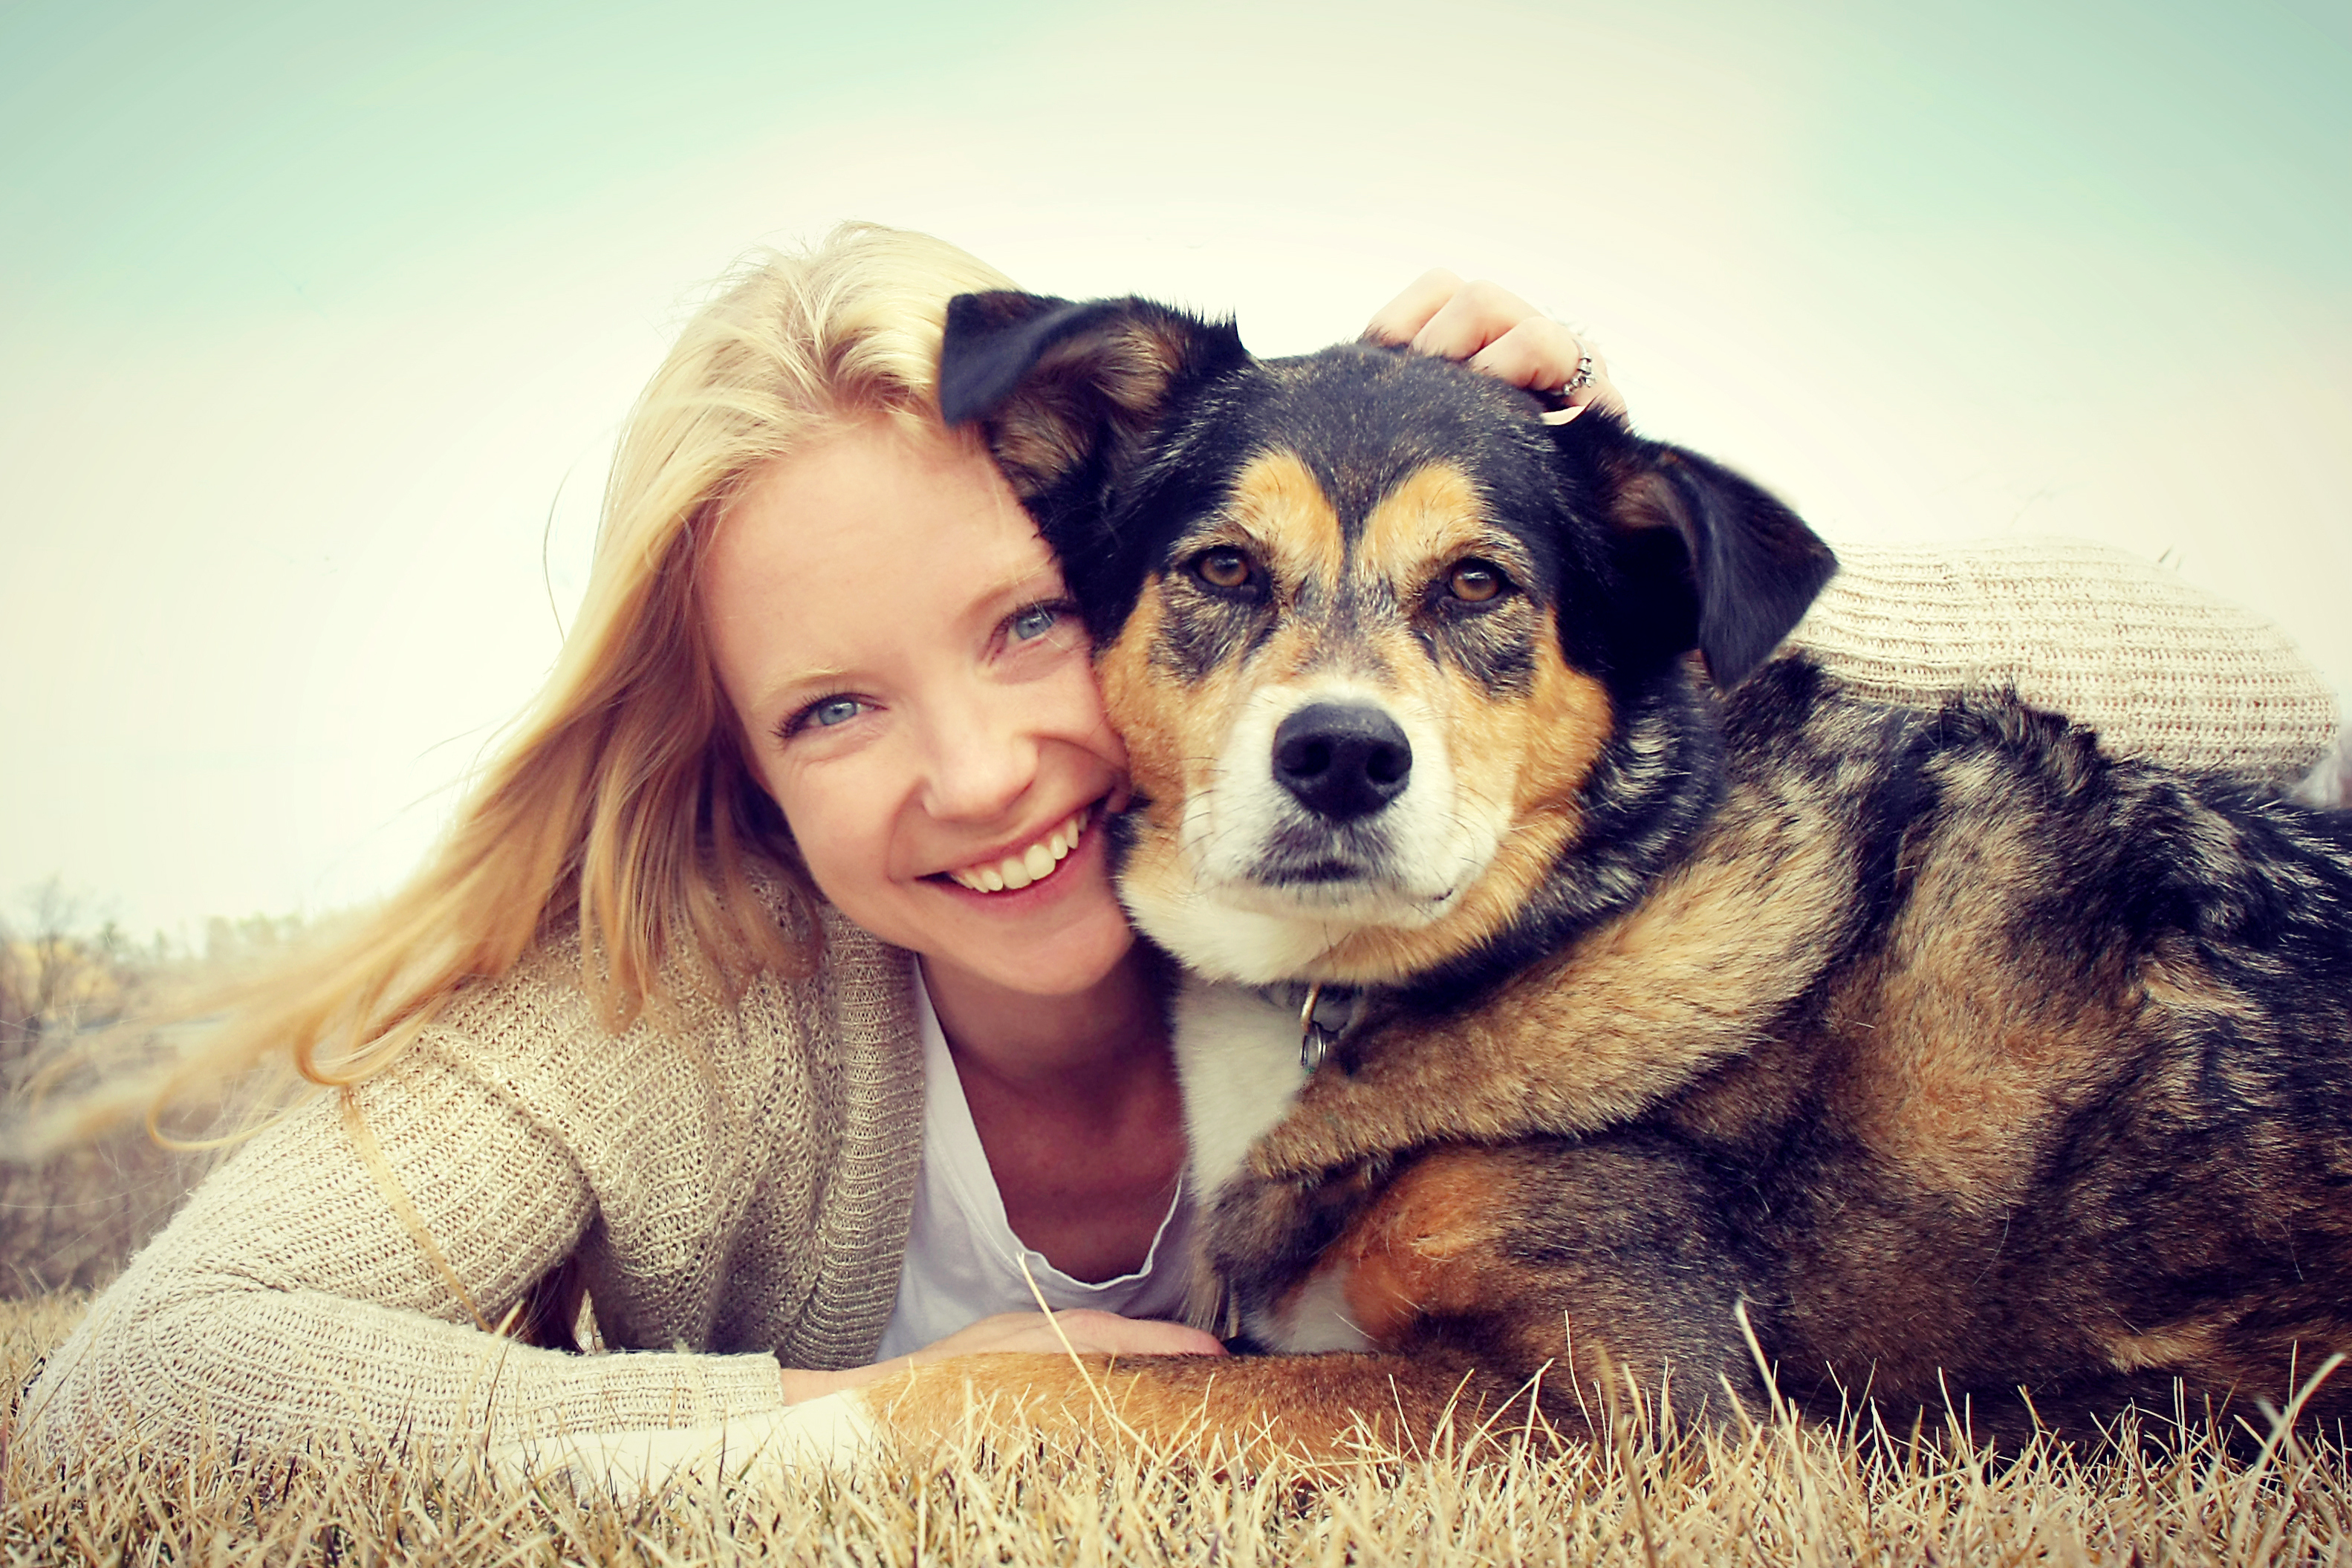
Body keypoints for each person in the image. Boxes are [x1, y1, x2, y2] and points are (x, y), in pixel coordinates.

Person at [10, 224, 2338, 1468]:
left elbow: (2181, 691)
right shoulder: (685, 1019)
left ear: (1096, 559)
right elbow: (145, 1387)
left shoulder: (1439, 859)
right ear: (740, 771)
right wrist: (880, 1430)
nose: (981, 769)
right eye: (831, 706)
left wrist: (1571, 511)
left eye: (1023, 623)